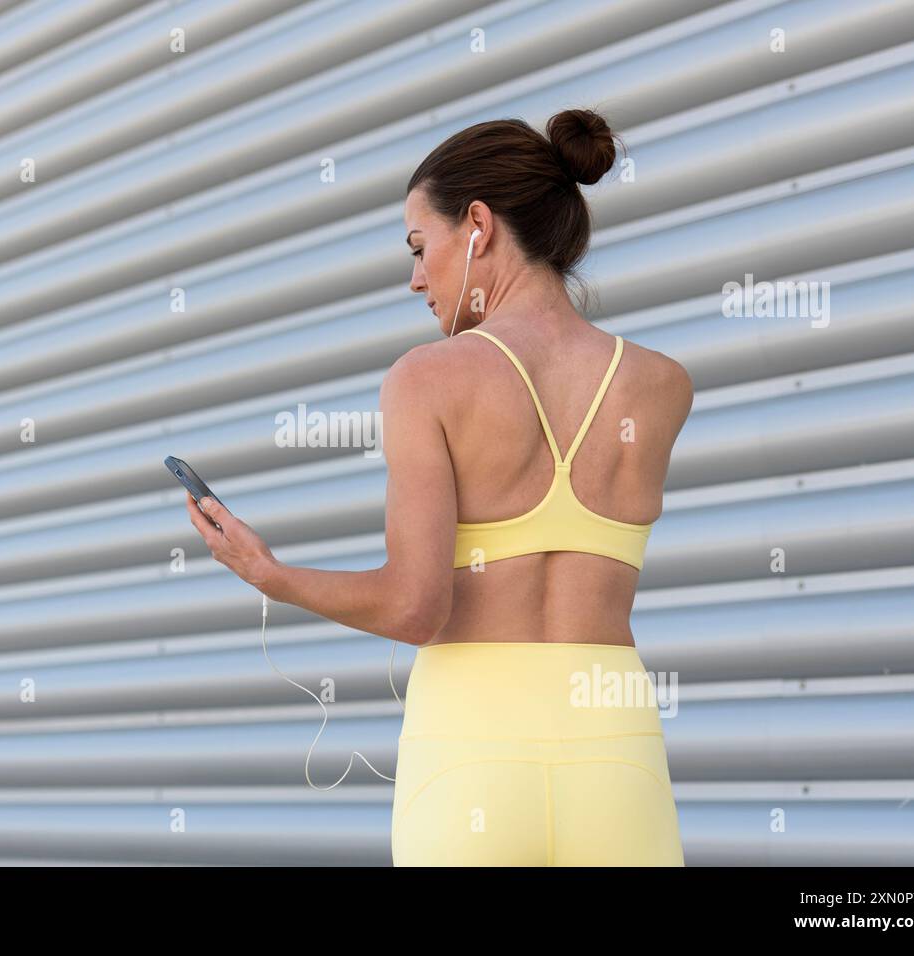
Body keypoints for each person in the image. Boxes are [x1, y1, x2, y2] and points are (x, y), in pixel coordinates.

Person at [183, 107, 694, 865]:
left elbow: (416, 607)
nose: (416, 278)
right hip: (616, 749)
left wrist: (272, 575)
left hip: (472, 752)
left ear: (478, 226)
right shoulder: (661, 386)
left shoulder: (429, 378)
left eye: (422, 247)